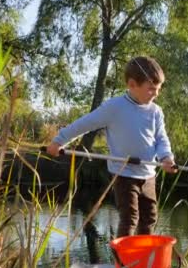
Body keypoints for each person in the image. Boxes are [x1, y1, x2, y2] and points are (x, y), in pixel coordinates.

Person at [46, 56, 178, 237]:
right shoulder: (114, 107)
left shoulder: (156, 112)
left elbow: (161, 138)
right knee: (130, 217)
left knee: (149, 219)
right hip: (123, 174)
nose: (156, 94)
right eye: (151, 89)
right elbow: (85, 124)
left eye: (158, 89)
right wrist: (59, 141)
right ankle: (123, 263)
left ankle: (144, 259)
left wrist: (166, 158)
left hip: (148, 175)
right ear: (132, 85)